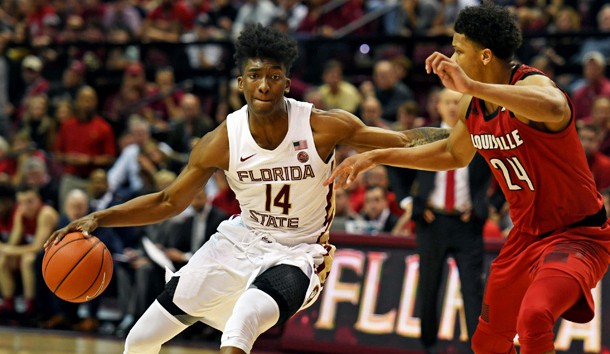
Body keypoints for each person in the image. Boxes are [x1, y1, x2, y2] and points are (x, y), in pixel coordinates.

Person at [46, 23, 449, 354]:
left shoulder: (321, 126)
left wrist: (460, 137)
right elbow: (169, 200)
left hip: (300, 252)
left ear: (286, 83)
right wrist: (100, 217)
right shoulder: (221, 140)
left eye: (274, 77)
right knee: (139, 339)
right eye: (255, 76)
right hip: (241, 240)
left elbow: (400, 141)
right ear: (241, 83)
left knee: (239, 327)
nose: (264, 85)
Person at [326, 3, 610, 354]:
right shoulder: (472, 106)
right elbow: (451, 154)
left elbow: (554, 106)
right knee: (487, 342)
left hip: (577, 233)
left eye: (459, 50)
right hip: (524, 237)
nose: (453, 57)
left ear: (486, 55)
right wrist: (378, 156)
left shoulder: (531, 83)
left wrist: (473, 85)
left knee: (535, 317)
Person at [410, 88, 492, 354]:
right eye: (447, 102)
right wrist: (410, 202)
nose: (453, 107)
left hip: (467, 224)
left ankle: (477, 349)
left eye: (458, 102)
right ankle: (428, 346)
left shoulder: (479, 137)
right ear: (438, 106)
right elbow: (395, 168)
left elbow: (501, 173)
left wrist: (484, 206)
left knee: (473, 291)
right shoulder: (424, 137)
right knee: (429, 288)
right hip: (432, 222)